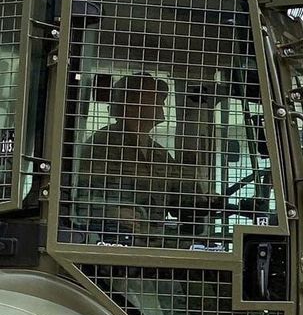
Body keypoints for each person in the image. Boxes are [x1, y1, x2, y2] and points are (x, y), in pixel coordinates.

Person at [74, 73, 217, 244]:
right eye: (153, 95)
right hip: (113, 245)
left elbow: (179, 197)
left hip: (154, 243)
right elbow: (78, 198)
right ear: (131, 104)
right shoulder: (102, 146)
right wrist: (112, 212)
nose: (162, 100)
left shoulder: (159, 154)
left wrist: (206, 201)